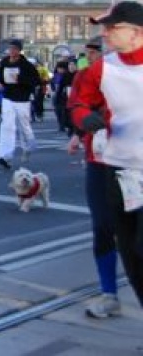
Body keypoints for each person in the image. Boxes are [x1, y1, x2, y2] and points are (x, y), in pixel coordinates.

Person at [69, 1, 143, 310]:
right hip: (117, 170)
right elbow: (78, 101)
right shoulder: (104, 67)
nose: (106, 33)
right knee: (129, 251)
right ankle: (111, 294)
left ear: (137, 32)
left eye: (113, 27)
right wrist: (84, 118)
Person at [66, 36, 122, 319]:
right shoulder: (93, 73)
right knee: (102, 227)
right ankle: (109, 293)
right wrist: (80, 127)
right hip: (99, 160)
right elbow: (78, 104)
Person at [0, 39, 40, 169]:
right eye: (10, 48)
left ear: (19, 50)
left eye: (14, 49)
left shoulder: (26, 65)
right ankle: (5, 156)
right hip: (8, 98)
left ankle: (28, 146)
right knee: (7, 126)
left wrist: (20, 79)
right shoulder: (4, 62)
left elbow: (35, 81)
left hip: (22, 99)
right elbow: (0, 77)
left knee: (24, 126)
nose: (12, 51)